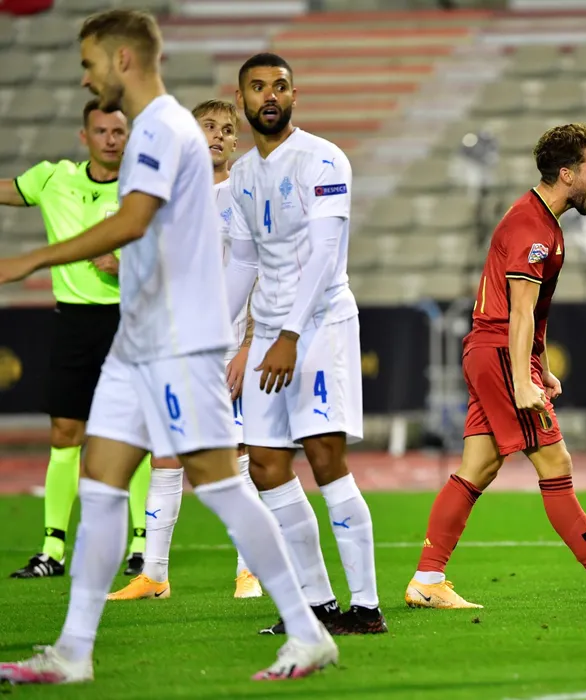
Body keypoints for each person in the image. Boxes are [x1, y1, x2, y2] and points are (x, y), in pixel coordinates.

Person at [0, 10, 336, 683]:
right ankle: (73, 652)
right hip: (139, 339)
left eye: (89, 62)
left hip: (181, 341)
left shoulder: (161, 128)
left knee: (221, 484)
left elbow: (132, 221)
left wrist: (30, 259)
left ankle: (308, 631)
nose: (85, 75)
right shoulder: (157, 130)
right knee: (100, 483)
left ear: (121, 59)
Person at [404, 123, 586, 609]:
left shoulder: (542, 221)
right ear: (566, 174)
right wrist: (523, 381)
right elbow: (519, 313)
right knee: (555, 462)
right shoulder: (533, 229)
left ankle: (427, 578)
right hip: (502, 354)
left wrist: (539, 366)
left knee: (478, 468)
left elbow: (530, 311)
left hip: (494, 352)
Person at [224, 52, 385, 635]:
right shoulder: (242, 175)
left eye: (279, 86)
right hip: (271, 332)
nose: (269, 95)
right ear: (241, 100)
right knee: (266, 465)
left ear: (295, 95)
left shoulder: (323, 158)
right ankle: (317, 605)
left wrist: (290, 335)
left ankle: (365, 608)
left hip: (319, 325)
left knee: (323, 456)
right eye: (257, 87)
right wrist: (215, 337)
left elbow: (324, 255)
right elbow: (244, 264)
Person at [107, 98, 263, 601]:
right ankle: (154, 575)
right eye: (207, 127)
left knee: (236, 458)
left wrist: (249, 345)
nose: (217, 135)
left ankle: (249, 571)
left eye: (226, 129)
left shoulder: (245, 193)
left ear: (235, 141)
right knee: (166, 455)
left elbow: (264, 274)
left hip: (228, 347)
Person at [1, 99, 152, 580]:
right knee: (65, 433)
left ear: (129, 137)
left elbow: (173, 260)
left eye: (118, 131)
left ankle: (143, 544)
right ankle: (53, 549)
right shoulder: (53, 178)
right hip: (73, 323)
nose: (111, 139)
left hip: (129, 320)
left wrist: (124, 266)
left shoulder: (144, 189)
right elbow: (7, 191)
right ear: (84, 137)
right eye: (101, 131)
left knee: (135, 435)